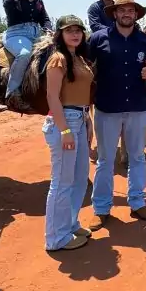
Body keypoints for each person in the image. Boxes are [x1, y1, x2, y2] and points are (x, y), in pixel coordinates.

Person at [87, 0, 146, 229]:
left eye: (131, 10)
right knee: (105, 160)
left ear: (136, 14)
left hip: (138, 108)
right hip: (107, 108)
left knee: (138, 157)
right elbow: (84, 68)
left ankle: (138, 202)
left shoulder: (144, 41)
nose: (127, 14)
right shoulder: (98, 39)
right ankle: (101, 208)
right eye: (122, 10)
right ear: (115, 14)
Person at [42, 15, 95, 251]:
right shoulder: (58, 59)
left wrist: (87, 121)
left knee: (80, 178)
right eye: (69, 30)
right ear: (60, 34)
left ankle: (70, 224)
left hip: (80, 118)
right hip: (65, 121)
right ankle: (55, 238)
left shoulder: (79, 58)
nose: (75, 34)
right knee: (62, 182)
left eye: (78, 30)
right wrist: (64, 130)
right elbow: (52, 97)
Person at [2, 0, 53, 111]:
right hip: (16, 33)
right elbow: (9, 8)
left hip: (36, 33)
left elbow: (44, 18)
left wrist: (48, 30)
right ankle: (12, 93)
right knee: (24, 54)